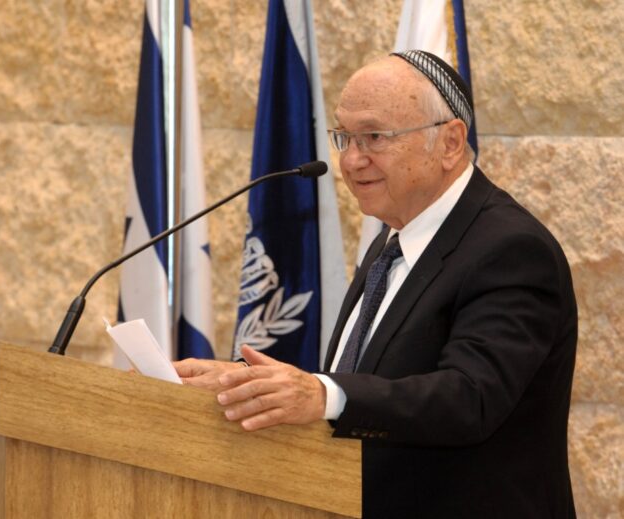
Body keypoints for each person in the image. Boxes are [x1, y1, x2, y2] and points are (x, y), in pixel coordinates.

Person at [173, 50, 578, 518]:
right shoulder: (394, 237)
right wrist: (249, 385)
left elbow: (470, 398)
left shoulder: (511, 249)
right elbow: (376, 378)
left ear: (450, 142)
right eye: (344, 136)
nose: (351, 160)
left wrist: (322, 395)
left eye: (374, 137)